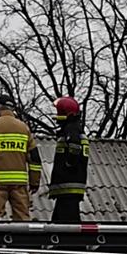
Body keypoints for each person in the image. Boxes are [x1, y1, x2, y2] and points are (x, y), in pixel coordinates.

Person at [46, 95, 91, 224]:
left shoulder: (71, 129)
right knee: (60, 222)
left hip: (68, 186)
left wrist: (69, 163)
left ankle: (72, 244)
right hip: (68, 188)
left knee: (67, 224)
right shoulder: (73, 128)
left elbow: (74, 147)